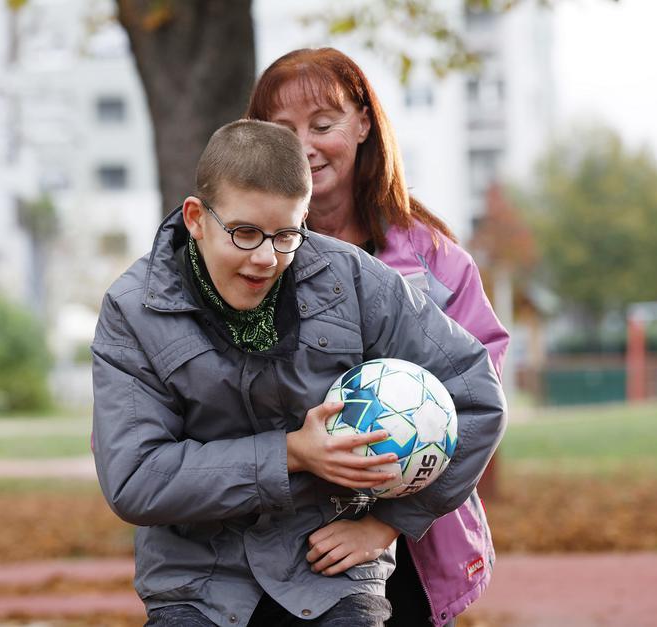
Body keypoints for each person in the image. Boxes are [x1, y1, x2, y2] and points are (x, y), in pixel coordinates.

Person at [91, 119, 505, 627]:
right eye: (245, 233)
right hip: (197, 583)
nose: (266, 258)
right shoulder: (134, 311)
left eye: (287, 234)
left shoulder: (353, 281)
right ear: (196, 218)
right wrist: (290, 454)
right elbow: (135, 478)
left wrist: (389, 524)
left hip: (328, 575)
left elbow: (478, 397)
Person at [246, 48, 510, 626]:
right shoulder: (245, 261)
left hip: (410, 541)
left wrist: (385, 525)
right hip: (278, 532)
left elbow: (474, 406)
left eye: (323, 124)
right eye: (283, 130)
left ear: (363, 123)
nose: (305, 146)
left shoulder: (436, 263)